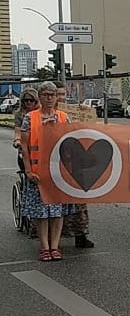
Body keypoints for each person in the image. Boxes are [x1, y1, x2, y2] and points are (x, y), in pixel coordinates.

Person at [20, 81, 74, 261]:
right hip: (37, 174)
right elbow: (25, 146)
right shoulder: (30, 117)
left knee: (57, 212)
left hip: (57, 174)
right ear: (40, 97)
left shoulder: (64, 118)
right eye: (46, 95)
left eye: (52, 94)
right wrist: (28, 171)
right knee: (41, 213)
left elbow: (70, 144)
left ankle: (55, 246)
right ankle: (44, 247)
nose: (50, 98)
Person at [53, 81, 96, 248]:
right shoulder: (45, 114)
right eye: (58, 94)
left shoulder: (72, 113)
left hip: (74, 161)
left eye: (63, 94)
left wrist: (85, 117)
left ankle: (81, 234)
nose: (61, 98)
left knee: (79, 200)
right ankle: (54, 235)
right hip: (55, 161)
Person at [13, 87, 39, 172]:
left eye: (31, 100)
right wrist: (17, 140)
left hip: (39, 147)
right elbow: (18, 130)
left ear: (36, 101)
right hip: (25, 147)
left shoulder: (41, 113)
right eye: (26, 100)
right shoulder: (19, 115)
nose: (28, 102)